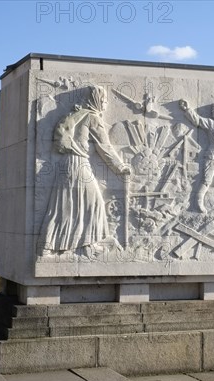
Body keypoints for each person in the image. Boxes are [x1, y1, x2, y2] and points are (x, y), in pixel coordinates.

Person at [40, 85, 130, 259]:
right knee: (93, 203)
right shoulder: (92, 117)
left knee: (64, 206)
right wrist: (120, 167)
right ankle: (86, 244)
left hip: (66, 164)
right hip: (79, 164)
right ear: (95, 101)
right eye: (103, 101)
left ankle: (51, 246)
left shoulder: (77, 114)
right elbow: (105, 147)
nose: (104, 105)